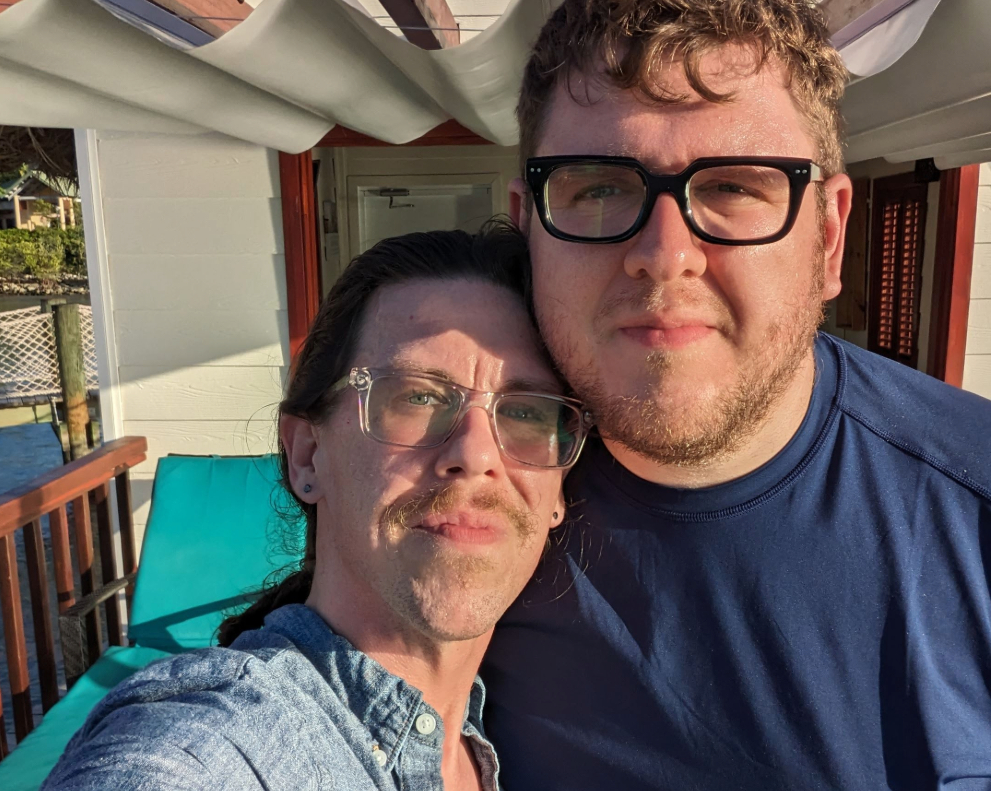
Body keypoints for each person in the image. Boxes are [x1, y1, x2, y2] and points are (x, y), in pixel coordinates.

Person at [480, 0, 991, 788]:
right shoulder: (460, 514)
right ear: (528, 227)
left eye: (736, 187)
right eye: (598, 187)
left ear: (828, 237)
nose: (664, 253)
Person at [43, 227, 590, 791]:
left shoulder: (515, 742)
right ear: (307, 455)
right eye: (418, 396)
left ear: (558, 495)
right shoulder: (216, 744)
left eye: (528, 412)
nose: (476, 455)